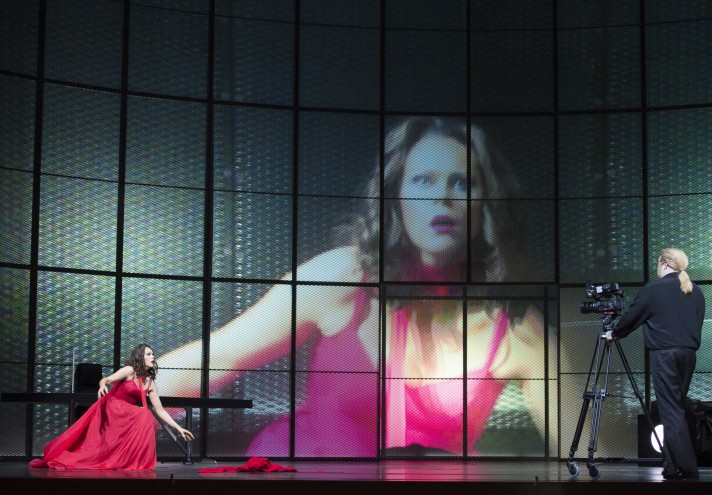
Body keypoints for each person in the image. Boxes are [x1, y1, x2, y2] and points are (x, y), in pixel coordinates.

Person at [158, 116, 554, 457]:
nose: (441, 198)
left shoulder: (518, 330)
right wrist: (127, 402)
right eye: (423, 180)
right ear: (396, 196)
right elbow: (217, 357)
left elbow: (586, 450)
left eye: (462, 183)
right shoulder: (342, 277)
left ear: (487, 203)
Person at [606, 248, 705, 480]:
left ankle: (688, 469)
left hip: (665, 356)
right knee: (674, 410)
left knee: (671, 412)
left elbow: (632, 317)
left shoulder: (654, 289)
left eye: (657, 263)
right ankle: (671, 466)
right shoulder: (696, 291)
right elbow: (697, 323)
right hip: (688, 355)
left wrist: (615, 333)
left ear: (664, 263)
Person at [29, 344, 194, 470]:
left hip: (125, 417)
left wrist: (179, 428)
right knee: (93, 449)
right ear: (140, 357)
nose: (153, 356)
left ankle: (131, 460)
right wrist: (102, 386)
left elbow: (160, 410)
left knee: (145, 414)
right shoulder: (129, 371)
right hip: (111, 410)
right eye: (148, 354)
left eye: (153, 354)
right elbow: (106, 380)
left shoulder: (151, 384)